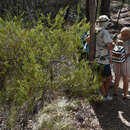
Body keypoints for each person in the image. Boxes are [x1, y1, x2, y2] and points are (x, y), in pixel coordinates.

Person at [95, 15, 114, 101]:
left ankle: (103, 93)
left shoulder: (94, 30)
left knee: (101, 78)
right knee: (108, 78)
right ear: (105, 22)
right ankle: (105, 95)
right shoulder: (104, 32)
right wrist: (113, 44)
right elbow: (110, 46)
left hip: (96, 57)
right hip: (103, 59)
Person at [113, 27, 130, 99]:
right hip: (125, 61)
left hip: (117, 60)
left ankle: (115, 92)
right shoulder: (128, 42)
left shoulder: (117, 40)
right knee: (125, 78)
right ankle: (125, 95)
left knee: (117, 77)